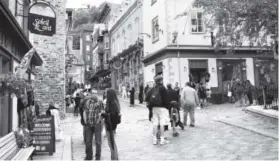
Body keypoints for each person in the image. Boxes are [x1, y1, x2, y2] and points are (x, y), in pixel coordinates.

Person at [145, 74, 169, 145]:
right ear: (161, 80)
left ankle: (154, 140)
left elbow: (146, 98)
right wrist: (167, 106)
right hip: (162, 108)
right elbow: (166, 99)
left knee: (155, 124)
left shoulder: (153, 88)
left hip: (154, 108)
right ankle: (162, 139)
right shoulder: (163, 88)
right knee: (162, 123)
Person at [83, 91, 104, 160]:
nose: (94, 95)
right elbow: (84, 111)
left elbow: (102, 112)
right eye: (92, 93)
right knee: (88, 141)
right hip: (88, 124)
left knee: (98, 142)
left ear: (97, 94)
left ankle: (98, 157)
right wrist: (85, 121)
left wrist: (99, 120)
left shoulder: (100, 102)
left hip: (97, 124)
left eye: (95, 93)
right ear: (90, 94)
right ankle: (89, 156)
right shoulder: (87, 102)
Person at [101, 89, 121, 160]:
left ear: (110, 94)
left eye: (107, 93)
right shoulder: (111, 102)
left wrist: (104, 114)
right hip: (110, 124)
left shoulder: (113, 103)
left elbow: (113, 115)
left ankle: (114, 158)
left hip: (111, 124)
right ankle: (114, 157)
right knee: (111, 142)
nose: (106, 95)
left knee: (111, 142)